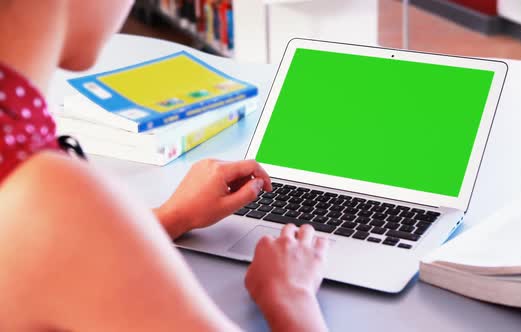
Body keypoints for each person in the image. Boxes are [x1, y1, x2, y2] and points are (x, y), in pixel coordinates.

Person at [0, 1, 329, 331]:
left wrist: (173, 216)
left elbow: (56, 261)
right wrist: (292, 297)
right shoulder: (55, 197)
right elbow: (58, 238)